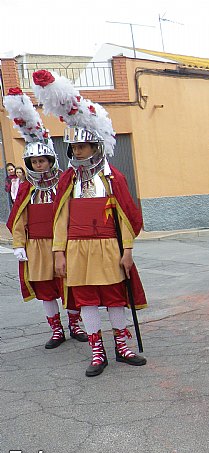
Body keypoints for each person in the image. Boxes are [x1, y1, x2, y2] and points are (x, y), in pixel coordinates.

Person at [33, 69, 147, 377]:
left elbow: (125, 216)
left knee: (114, 299)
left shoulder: (112, 178)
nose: (77, 151)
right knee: (87, 301)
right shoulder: (68, 180)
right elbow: (60, 220)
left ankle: (122, 346)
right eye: (74, 147)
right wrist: (59, 252)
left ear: (96, 146)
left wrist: (128, 250)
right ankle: (97, 350)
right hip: (78, 252)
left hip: (109, 248)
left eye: (82, 146)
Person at [4, 87, 88, 349]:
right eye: (35, 162)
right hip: (37, 247)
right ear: (29, 164)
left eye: (43, 160)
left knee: (70, 286)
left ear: (51, 160)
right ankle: (56, 330)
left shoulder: (64, 183)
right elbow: (18, 218)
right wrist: (19, 244)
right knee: (45, 289)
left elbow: (75, 211)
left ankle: (76, 325)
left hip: (62, 245)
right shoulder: (26, 188)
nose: (39, 165)